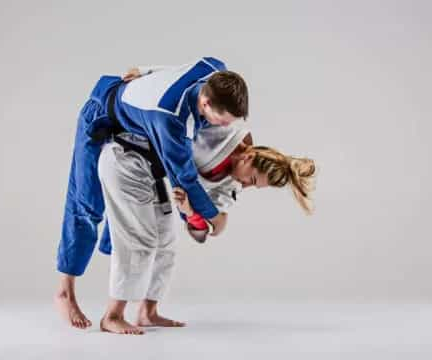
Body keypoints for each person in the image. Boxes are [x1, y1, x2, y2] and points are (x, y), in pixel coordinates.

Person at [55, 58, 249, 329]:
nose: (224, 127)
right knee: (86, 203)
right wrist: (214, 217)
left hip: (133, 133)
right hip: (101, 115)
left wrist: (146, 71)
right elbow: (184, 179)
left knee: (147, 227)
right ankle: (66, 290)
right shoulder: (169, 119)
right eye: (221, 120)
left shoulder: (214, 69)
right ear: (205, 103)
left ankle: (144, 309)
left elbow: (180, 68)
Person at [96, 119, 316, 335]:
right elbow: (178, 117)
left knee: (166, 245)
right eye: (252, 179)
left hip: (153, 175)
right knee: (140, 241)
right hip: (127, 158)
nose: (247, 185)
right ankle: (112, 316)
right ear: (249, 157)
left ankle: (148, 312)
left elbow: (215, 225)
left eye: (254, 186)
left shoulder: (232, 182)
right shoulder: (221, 130)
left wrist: (191, 212)